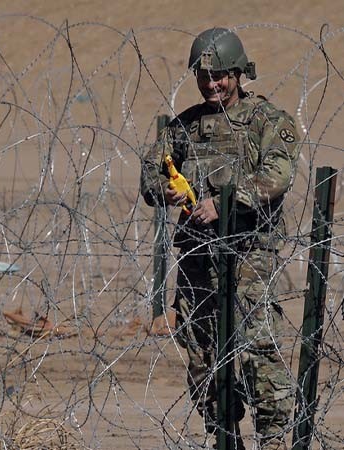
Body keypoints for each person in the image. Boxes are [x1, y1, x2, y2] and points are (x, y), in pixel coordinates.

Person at [139, 27, 298, 449]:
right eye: (204, 76)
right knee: (202, 355)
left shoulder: (269, 122)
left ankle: (275, 440)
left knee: (260, 354)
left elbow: (277, 176)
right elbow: (152, 170)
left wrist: (227, 202)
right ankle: (224, 435)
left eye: (220, 76)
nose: (212, 84)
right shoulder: (185, 127)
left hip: (249, 257)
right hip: (196, 259)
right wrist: (166, 189)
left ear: (239, 73)